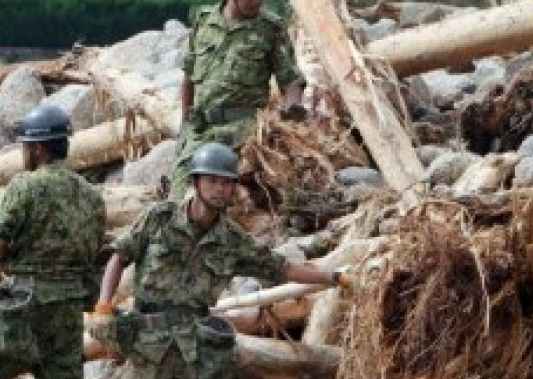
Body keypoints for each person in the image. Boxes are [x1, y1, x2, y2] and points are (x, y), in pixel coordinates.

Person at [90, 143, 348, 379]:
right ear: (195, 181)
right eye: (212, 181)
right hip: (147, 343)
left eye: (226, 183)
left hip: (199, 347)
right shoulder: (159, 218)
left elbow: (283, 268)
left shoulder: (233, 240)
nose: (219, 189)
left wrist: (334, 277)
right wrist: (103, 306)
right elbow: (119, 256)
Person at [0, 104, 106, 379]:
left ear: (37, 149)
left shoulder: (26, 185)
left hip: (25, 302)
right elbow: (94, 252)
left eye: (25, 146)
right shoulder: (92, 195)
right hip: (69, 306)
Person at [170, 0, 305, 199]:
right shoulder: (204, 22)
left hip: (244, 131)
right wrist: (185, 125)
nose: (255, 1)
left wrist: (292, 106)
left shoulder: (270, 28)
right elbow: (188, 76)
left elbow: (292, 81)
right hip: (201, 130)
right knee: (179, 202)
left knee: (239, 197)